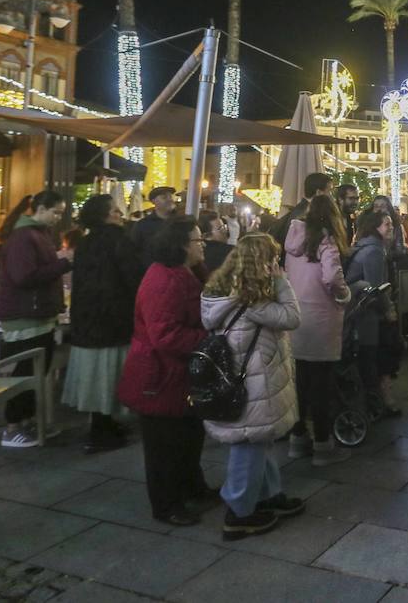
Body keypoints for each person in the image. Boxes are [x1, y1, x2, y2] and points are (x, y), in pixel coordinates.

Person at [200, 233, 306, 540]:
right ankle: (239, 512)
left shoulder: (223, 289)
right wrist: (283, 281)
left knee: (261, 441)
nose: (276, 264)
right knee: (249, 445)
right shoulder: (251, 298)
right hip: (253, 382)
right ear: (261, 263)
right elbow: (292, 317)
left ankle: (269, 495)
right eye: (272, 258)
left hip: (247, 379)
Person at [117, 216, 212, 526]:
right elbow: (165, 335)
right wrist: (209, 340)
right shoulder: (164, 279)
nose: (204, 245)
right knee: (164, 447)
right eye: (199, 240)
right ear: (183, 245)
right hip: (159, 377)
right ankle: (166, 504)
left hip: (178, 375)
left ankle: (192, 488)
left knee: (188, 436)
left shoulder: (185, 272)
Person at [62, 195, 144, 455]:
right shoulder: (120, 241)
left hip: (87, 318)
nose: (120, 214)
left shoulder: (85, 243)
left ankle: (105, 423)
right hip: (113, 318)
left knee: (95, 374)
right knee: (109, 374)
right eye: (115, 211)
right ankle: (101, 430)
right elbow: (133, 277)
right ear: (105, 215)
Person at [0, 190, 73, 448]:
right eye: (56, 212)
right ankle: (12, 427)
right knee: (25, 372)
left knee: (37, 371)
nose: (57, 218)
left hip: (38, 315)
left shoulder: (37, 235)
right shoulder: (24, 237)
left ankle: (27, 422)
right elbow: (24, 276)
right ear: (39, 208)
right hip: (24, 316)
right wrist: (63, 264)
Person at [283, 194, 352, 466]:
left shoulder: (293, 239)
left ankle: (297, 440)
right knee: (321, 384)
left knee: (299, 383)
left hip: (297, 317)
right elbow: (332, 276)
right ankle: (323, 445)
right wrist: (344, 295)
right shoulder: (326, 240)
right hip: (321, 318)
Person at [344, 210, 399, 416]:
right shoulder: (374, 251)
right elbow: (377, 287)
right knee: (375, 353)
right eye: (386, 224)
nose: (391, 227)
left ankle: (374, 397)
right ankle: (375, 399)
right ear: (375, 228)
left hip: (359, 308)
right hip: (365, 312)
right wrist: (389, 310)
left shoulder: (366, 246)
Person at [271, 172, 333, 253]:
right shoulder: (303, 214)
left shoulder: (301, 211)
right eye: (329, 191)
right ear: (318, 192)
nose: (331, 196)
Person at [130, 186, 178, 267]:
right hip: (152, 273)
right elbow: (133, 251)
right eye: (164, 197)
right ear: (153, 201)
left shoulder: (180, 222)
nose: (169, 199)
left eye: (170, 196)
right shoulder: (143, 225)